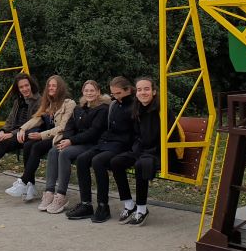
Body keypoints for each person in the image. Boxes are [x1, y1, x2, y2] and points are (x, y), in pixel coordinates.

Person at [66, 76, 135, 223]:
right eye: (113, 94)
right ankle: (86, 204)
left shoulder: (134, 106)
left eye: (118, 94)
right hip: (106, 142)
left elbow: (133, 132)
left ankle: (103, 206)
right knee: (82, 159)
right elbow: (109, 127)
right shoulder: (115, 105)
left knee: (98, 161)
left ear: (128, 90)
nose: (115, 97)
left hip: (122, 145)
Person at [40, 80, 110, 214]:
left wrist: (71, 141)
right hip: (77, 142)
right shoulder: (79, 108)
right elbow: (70, 127)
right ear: (83, 92)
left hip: (92, 144)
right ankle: (49, 192)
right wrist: (66, 139)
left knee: (65, 153)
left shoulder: (102, 108)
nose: (89, 93)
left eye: (92, 90)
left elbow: (93, 132)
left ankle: (61, 195)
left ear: (98, 92)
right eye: (86, 90)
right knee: (54, 151)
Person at [3, 75, 75, 203]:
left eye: (54, 86)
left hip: (59, 137)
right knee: (28, 144)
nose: (51, 88)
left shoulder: (68, 103)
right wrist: (22, 129)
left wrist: (41, 136)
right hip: (48, 136)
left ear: (60, 88)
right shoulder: (49, 103)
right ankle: (29, 185)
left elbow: (62, 128)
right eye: (49, 86)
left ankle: (24, 181)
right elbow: (36, 118)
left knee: (36, 146)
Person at [110, 76, 160, 226]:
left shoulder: (160, 110)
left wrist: (144, 150)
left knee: (140, 165)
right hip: (142, 149)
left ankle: (142, 209)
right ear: (135, 92)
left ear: (154, 92)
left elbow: (162, 137)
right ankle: (129, 204)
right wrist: (136, 149)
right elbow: (138, 135)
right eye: (139, 89)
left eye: (146, 89)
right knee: (116, 162)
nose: (142, 92)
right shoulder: (137, 109)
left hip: (158, 151)